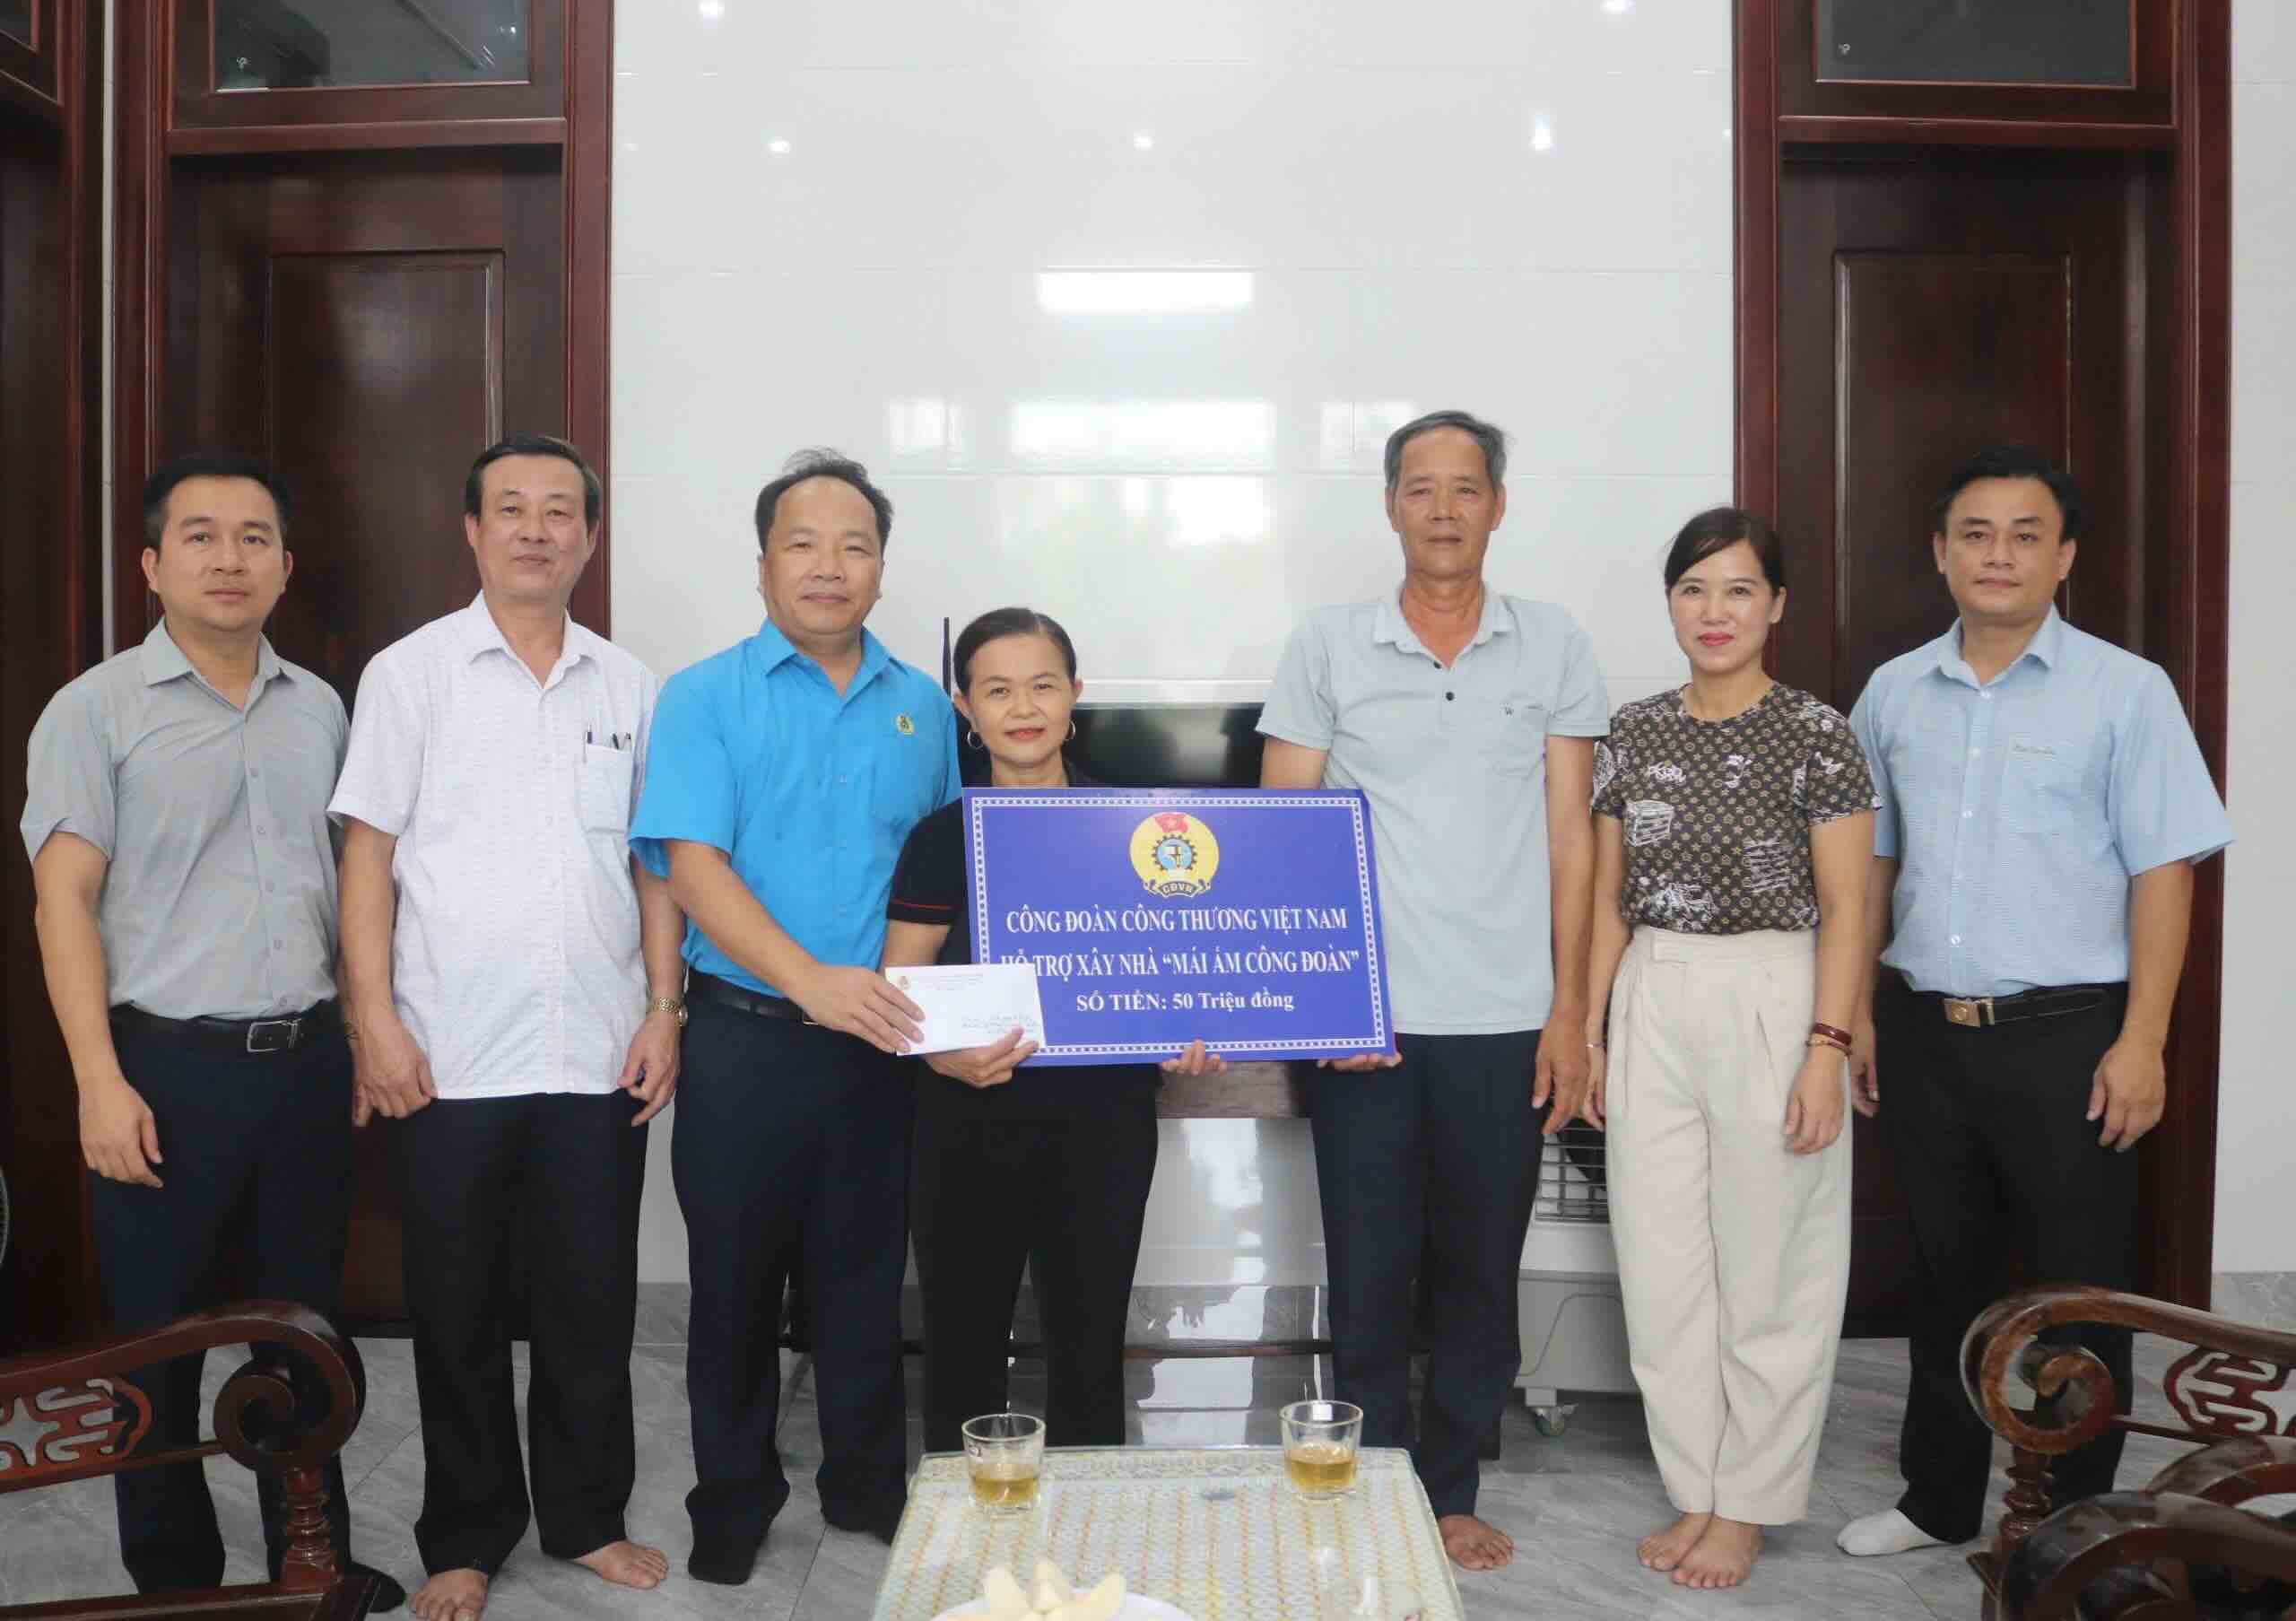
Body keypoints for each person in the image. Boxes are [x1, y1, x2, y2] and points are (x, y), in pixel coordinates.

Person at [22, 452, 404, 1609]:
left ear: (285, 567)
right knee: (158, 1354)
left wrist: (353, 1027)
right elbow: (62, 901)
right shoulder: (93, 711)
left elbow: (344, 885)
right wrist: (97, 1079)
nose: (228, 558)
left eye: (252, 538)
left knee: (305, 1343)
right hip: (162, 1071)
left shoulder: (323, 708)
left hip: (300, 1066)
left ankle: (313, 1565)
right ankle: (174, 1585)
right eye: (200, 536)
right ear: (152, 564)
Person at [1835, 447, 2231, 1559]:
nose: (1995, 553)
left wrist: (2143, 1039)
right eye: (1974, 532)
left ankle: (2070, 1520)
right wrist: (1859, 1011)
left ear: (2061, 556)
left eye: (2022, 534)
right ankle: (1936, 1498)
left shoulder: (2125, 690)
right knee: (1943, 1273)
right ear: (1940, 550)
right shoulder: (1892, 692)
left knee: (2079, 1291)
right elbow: (1869, 866)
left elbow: (2165, 871)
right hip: (1925, 1031)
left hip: (2070, 1036)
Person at [332, 434, 681, 1621]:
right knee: (459, 1305)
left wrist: (666, 1007)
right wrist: (372, 1018)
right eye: (511, 509)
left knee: (592, 1305)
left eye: (560, 511)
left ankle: (585, 1515)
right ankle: (468, 1531)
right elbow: (366, 854)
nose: (537, 528)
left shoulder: (630, 686)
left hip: (595, 1043)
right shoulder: (411, 673)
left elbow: (656, 869)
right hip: (449, 1050)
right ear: (471, 531)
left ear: (589, 534)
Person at [1258, 409, 1605, 1571]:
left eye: (1467, 487)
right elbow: (1287, 834)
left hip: (1506, 1019)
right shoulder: (1328, 644)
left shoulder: (1551, 643)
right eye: (1422, 487)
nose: (1444, 508)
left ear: (1499, 504)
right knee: (1367, 1269)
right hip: (1370, 1022)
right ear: (1391, 505)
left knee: (1477, 1270)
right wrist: (1328, 999)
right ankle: (1368, 1480)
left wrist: (1570, 1012)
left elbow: (1573, 839)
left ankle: (1449, 1488)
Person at [631, 449, 958, 1582]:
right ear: (763, 561)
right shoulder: (703, 695)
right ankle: (731, 1497)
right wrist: (806, 979)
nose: (830, 566)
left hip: (879, 1048)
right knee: (730, 1285)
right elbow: (690, 863)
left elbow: (950, 874)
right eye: (804, 543)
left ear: (881, 566)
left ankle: (868, 1487)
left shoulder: (924, 703)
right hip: (743, 1036)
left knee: (865, 1280)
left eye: (855, 545)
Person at [1579, 508, 1875, 1590]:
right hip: (1654, 985)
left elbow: (1847, 906)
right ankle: (1694, 1486)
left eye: (1739, 589)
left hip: (1774, 986)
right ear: (1669, 602)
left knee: (1772, 1266)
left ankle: (1749, 1501)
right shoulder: (1633, 729)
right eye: (1695, 588)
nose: (1715, 611)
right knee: (1659, 1267)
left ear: (1777, 605)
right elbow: (1610, 902)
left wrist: (1825, 1048)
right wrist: (1595, 1030)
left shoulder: (1819, 733)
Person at [883, 606, 1225, 1454]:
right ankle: (966, 1537)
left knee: (1090, 1346)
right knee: (962, 1347)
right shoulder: (940, 837)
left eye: (1043, 685)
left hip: (1103, 1122)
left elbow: (1182, 967)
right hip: (968, 1122)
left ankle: (1090, 1535)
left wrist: (1190, 1030)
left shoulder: (1136, 829)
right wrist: (941, 1053)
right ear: (964, 707)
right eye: (997, 689)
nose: (1023, 706)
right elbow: (900, 984)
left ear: (1077, 695)